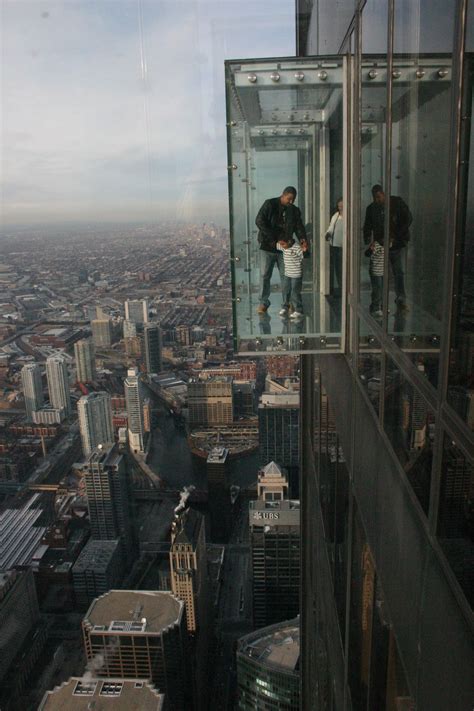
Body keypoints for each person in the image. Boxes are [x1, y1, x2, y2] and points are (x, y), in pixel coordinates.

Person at [255, 186, 308, 314]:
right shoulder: (270, 204)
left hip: (285, 248)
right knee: (264, 275)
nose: (291, 202)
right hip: (267, 246)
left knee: (286, 276)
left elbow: (299, 226)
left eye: (293, 200)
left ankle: (287, 303)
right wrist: (274, 239)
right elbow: (259, 221)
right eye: (289, 199)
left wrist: (302, 239)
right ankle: (263, 302)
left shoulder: (294, 211)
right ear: (283, 195)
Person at [363, 184, 412, 310]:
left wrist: (394, 237)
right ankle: (382, 302)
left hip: (395, 244)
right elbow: (367, 226)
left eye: (379, 197)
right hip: (383, 244)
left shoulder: (396, 203)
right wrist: (368, 240)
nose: (377, 200)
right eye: (375, 198)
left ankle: (397, 298)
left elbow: (408, 219)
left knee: (397, 272)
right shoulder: (373, 208)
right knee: (385, 274)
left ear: (383, 194)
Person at [276, 237, 308, 319]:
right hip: (287, 274)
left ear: (289, 242)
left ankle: (299, 310)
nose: (282, 246)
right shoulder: (282, 246)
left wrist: (304, 250)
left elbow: (304, 255)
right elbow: (275, 245)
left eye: (283, 244)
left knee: (295, 292)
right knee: (286, 290)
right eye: (281, 244)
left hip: (296, 275)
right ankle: (285, 307)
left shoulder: (296, 248)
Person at [325, 198, 344, 297]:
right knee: (338, 269)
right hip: (335, 247)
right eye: (339, 206)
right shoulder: (336, 216)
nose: (340, 208)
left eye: (342, 206)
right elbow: (331, 227)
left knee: (345, 270)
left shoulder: (348, 216)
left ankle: (346, 290)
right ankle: (341, 289)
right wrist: (328, 234)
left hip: (345, 247)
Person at [365, 241, 384, 316]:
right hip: (376, 271)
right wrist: (371, 249)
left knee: (381, 290)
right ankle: (376, 308)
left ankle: (379, 306)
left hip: (382, 271)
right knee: (377, 290)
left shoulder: (388, 244)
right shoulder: (377, 244)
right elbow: (367, 253)